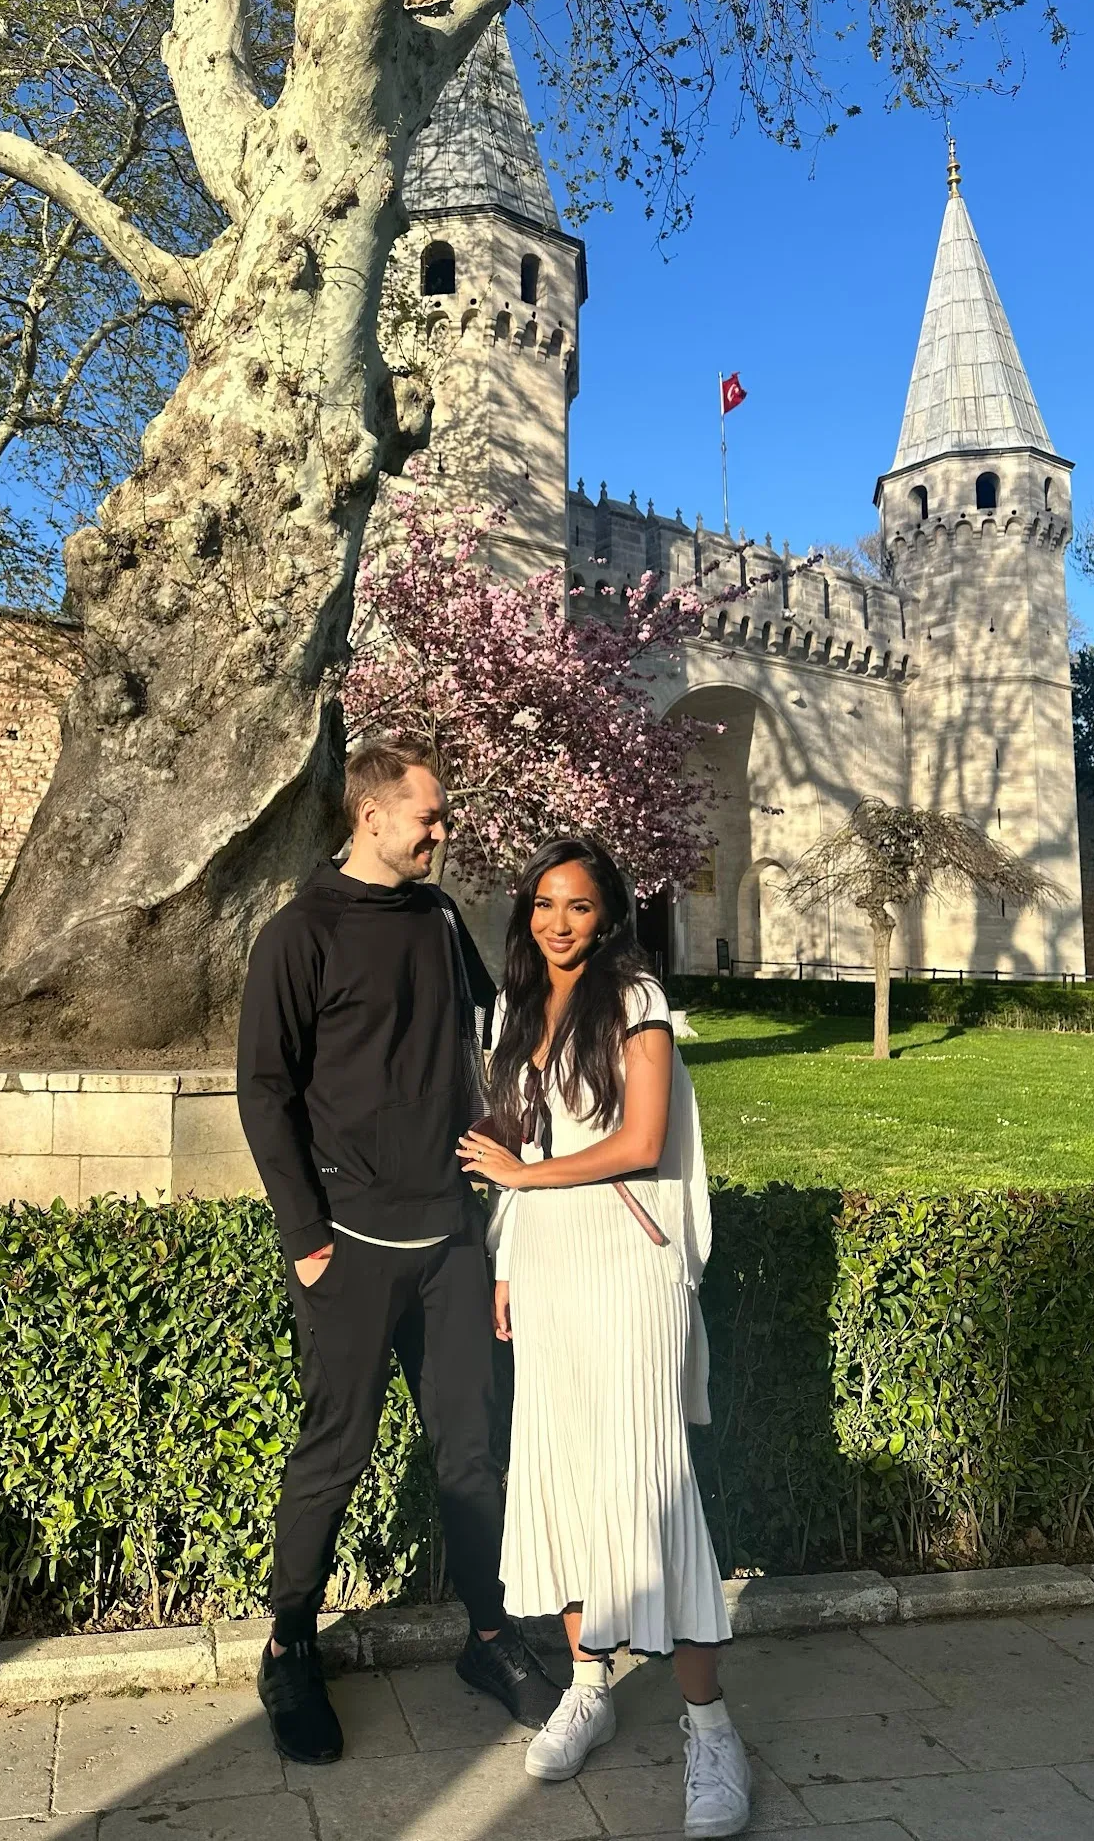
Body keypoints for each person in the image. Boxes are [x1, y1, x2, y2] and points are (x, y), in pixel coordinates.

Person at [236, 737, 562, 1766]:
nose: (442, 827)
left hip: (450, 1238)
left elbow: (495, 1025)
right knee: (335, 1450)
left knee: (472, 1445)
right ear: (372, 814)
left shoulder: (435, 916)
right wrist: (307, 1239)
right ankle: (289, 1642)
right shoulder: (299, 933)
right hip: (353, 1244)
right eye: (429, 813)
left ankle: (489, 1632)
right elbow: (264, 1090)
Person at [458, 836, 751, 1838]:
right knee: (564, 1473)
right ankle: (586, 1682)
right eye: (543, 902)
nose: (557, 920)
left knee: (648, 1480)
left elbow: (639, 1140)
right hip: (544, 1269)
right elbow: (515, 1146)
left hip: (628, 1271)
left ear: (608, 914)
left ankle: (709, 1727)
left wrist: (521, 1182)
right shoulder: (511, 1010)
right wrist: (504, 1259)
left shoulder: (636, 1001)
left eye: (578, 904)